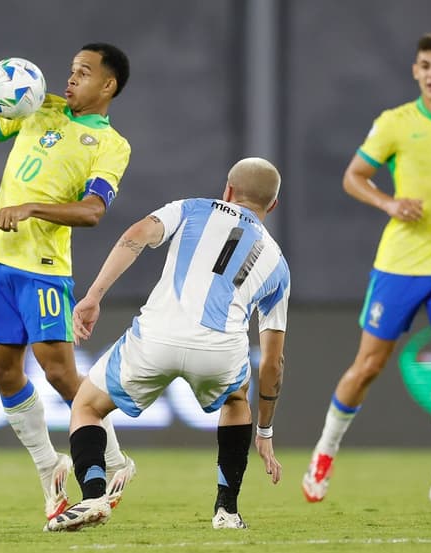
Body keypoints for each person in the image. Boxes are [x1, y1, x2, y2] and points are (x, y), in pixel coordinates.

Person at [0, 43, 136, 528]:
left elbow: (93, 210)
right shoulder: (36, 106)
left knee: (60, 372)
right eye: (70, 71)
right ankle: (50, 468)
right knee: (3, 371)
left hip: (44, 266)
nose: (70, 80)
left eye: (83, 74)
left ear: (108, 86)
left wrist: (32, 208)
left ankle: (115, 462)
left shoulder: (111, 144)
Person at [302, 32, 431, 504]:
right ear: (415, 72)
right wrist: (388, 203)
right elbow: (353, 176)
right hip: (399, 267)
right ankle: (325, 450)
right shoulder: (395, 123)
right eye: (425, 65)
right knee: (368, 366)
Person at [47, 158, 290, 532]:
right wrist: (266, 433)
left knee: (87, 405)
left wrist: (94, 296)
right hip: (219, 350)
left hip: (157, 337)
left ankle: (94, 495)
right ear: (271, 206)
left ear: (227, 190)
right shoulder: (278, 263)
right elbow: (274, 362)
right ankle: (226, 510)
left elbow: (138, 234)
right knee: (237, 399)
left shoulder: (191, 208)